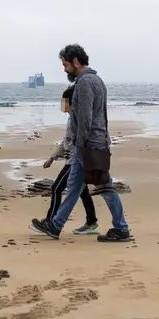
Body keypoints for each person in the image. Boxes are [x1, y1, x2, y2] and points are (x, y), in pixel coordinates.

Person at [29, 44, 131, 242]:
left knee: (104, 186)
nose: (64, 69)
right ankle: (55, 225)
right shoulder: (97, 80)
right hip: (94, 142)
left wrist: (81, 145)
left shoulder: (84, 83)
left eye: (65, 64)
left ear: (75, 61)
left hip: (89, 144)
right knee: (75, 187)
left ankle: (121, 228)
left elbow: (85, 118)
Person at [39, 86, 99, 235]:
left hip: (74, 161)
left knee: (56, 188)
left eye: (63, 101)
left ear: (70, 102)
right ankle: (91, 221)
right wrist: (52, 158)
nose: (61, 104)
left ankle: (50, 221)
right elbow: (65, 141)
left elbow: (77, 141)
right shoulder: (71, 119)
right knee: (83, 191)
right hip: (75, 160)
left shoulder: (76, 119)